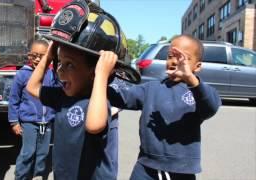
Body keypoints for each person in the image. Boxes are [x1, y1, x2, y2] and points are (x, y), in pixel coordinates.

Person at [26, 1, 140, 179]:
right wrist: (48, 56)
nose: (60, 70)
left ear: (93, 72)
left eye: (69, 65)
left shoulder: (99, 102)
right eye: (60, 62)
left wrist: (102, 74)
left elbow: (94, 125)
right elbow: (32, 87)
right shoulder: (61, 96)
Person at [91, 34, 222, 180]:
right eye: (170, 56)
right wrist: (104, 75)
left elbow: (211, 107)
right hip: (146, 168)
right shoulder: (151, 88)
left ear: (197, 67)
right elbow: (122, 97)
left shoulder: (198, 91)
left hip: (182, 172)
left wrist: (191, 79)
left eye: (182, 58)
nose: (174, 61)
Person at [8, 39, 58, 180]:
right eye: (33, 55)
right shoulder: (22, 74)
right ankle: (21, 176)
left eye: (42, 56)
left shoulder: (52, 74)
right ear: (29, 55)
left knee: (43, 152)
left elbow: (57, 94)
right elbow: (14, 100)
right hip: (29, 122)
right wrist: (14, 122)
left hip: (46, 122)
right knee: (28, 152)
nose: (37, 59)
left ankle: (38, 175)